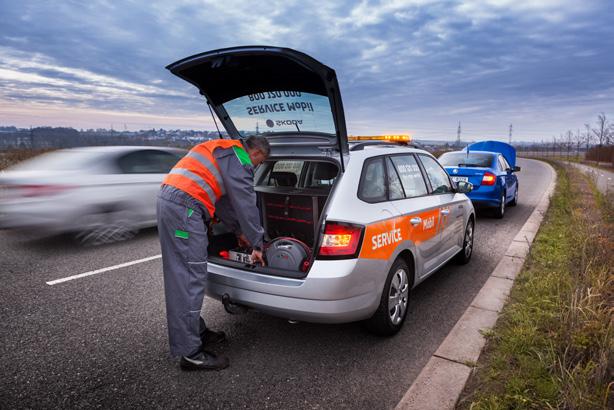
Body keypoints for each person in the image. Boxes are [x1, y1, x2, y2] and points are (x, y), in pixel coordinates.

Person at [156, 135, 270, 371]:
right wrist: (258, 243)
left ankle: (195, 332)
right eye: (260, 163)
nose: (255, 167)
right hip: (186, 208)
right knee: (188, 278)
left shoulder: (222, 148)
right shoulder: (239, 159)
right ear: (257, 154)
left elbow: (225, 203)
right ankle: (190, 354)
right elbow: (246, 203)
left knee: (182, 274)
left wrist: (238, 231)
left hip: (174, 201)